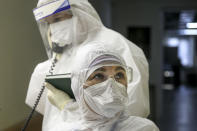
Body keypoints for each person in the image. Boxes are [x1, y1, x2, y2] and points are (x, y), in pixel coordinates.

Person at [25, 0, 151, 130]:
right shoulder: (63, 54)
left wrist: (68, 107)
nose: (52, 28)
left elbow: (131, 110)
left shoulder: (115, 45)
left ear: (79, 12)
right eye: (48, 23)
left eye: (57, 19)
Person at [44, 43, 159, 130]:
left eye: (119, 75)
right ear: (78, 85)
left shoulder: (144, 128)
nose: (112, 85)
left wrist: (68, 107)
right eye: (98, 76)